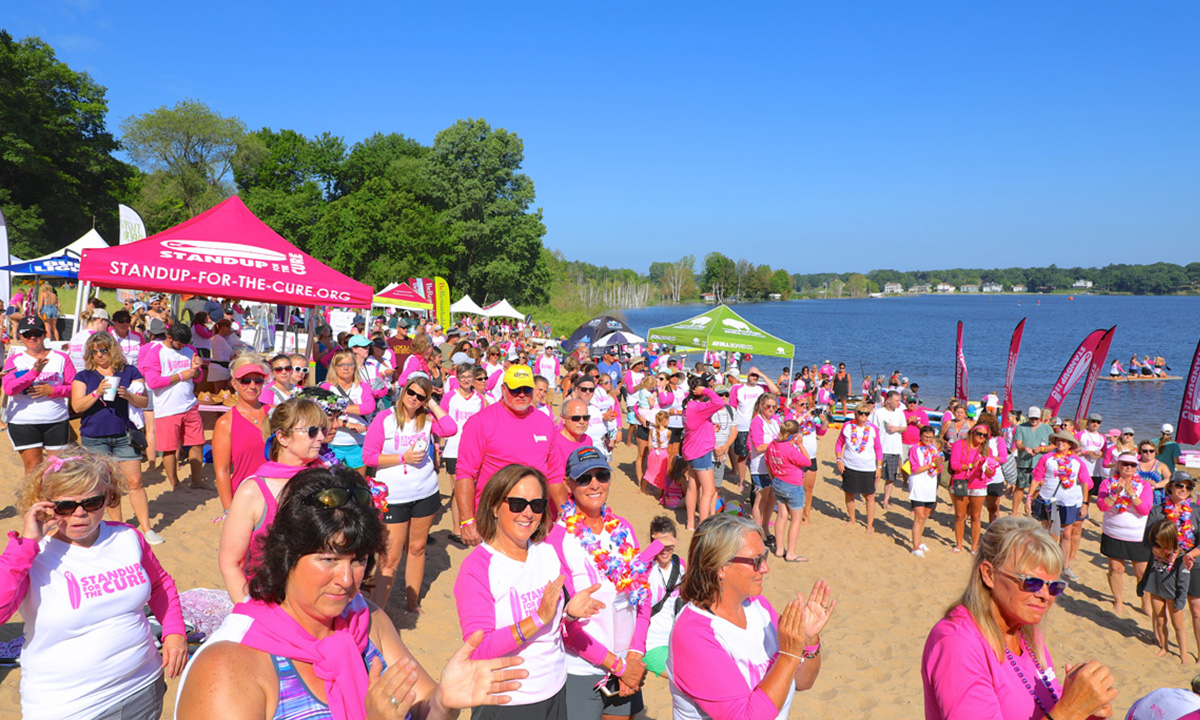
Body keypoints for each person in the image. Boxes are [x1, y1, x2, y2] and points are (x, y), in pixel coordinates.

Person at [182, 465, 527, 720]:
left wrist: (443, 703)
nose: (347, 579)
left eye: (359, 560)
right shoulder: (229, 667)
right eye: (328, 559)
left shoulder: (365, 620)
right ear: (286, 554)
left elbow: (423, 711)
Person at [2, 450, 187, 720]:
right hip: (68, 706)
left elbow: (160, 585)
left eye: (92, 502)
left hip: (142, 688)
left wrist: (175, 632)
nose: (79, 513)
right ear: (44, 505)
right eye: (65, 505)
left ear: (108, 498)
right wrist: (27, 543)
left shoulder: (127, 537)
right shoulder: (32, 555)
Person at [921, 517, 1118, 720]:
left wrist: (1088, 710)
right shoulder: (958, 642)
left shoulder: (1025, 631)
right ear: (989, 574)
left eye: (1054, 587)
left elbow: (1048, 708)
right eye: (1031, 582)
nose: (1045, 595)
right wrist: (1072, 710)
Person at [453, 463, 603, 720]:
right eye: (517, 503)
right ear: (494, 506)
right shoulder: (477, 568)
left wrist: (569, 613)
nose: (528, 513)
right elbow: (477, 649)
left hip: (555, 690)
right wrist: (537, 619)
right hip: (507, 701)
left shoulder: (546, 553)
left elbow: (555, 626)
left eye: (536, 505)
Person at [669, 514, 834, 720]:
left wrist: (808, 642)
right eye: (756, 560)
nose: (765, 568)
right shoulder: (693, 634)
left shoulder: (758, 607)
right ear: (721, 566)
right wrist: (789, 655)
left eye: (764, 557)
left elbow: (803, 682)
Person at [550, 447, 654, 720]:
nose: (594, 484)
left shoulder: (624, 529)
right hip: (582, 670)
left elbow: (643, 595)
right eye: (584, 478)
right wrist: (618, 666)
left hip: (627, 665)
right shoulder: (557, 541)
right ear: (568, 484)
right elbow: (563, 624)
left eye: (601, 475)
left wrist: (634, 654)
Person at [218, 397, 330, 603]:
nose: (321, 437)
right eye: (312, 431)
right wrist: (248, 611)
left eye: (324, 430)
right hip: (271, 602)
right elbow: (230, 563)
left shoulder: (327, 478)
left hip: (322, 600)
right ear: (283, 437)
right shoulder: (253, 491)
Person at [363, 375, 457, 612]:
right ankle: (378, 614)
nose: (414, 399)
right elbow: (369, 457)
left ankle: (412, 604)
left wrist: (433, 403)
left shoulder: (427, 418)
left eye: (420, 397)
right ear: (404, 391)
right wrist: (401, 458)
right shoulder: (385, 419)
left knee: (417, 549)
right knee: (390, 558)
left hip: (425, 492)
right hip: (393, 497)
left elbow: (450, 429)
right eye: (411, 392)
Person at [70, 331, 158, 543]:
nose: (99, 354)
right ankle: (117, 528)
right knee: (106, 485)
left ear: (113, 349)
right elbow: (76, 406)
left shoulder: (129, 372)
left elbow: (144, 401)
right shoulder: (84, 376)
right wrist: (96, 393)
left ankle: (146, 529)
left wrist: (128, 395)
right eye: (95, 351)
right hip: (94, 436)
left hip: (123, 435)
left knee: (135, 482)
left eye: (104, 350)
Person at [455, 365, 557, 546]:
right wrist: (467, 520)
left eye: (526, 389)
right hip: (495, 518)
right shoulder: (481, 422)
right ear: (503, 389)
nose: (521, 394)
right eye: (515, 389)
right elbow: (465, 473)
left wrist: (561, 514)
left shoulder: (545, 422)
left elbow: (555, 474)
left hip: (535, 516)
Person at [3, 317, 76, 473]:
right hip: (23, 421)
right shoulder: (14, 361)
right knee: (33, 467)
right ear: (20, 336)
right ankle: (34, 498)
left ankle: (53, 498)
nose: (32, 337)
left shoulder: (61, 358)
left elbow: (75, 387)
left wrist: (53, 391)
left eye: (36, 333)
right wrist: (34, 373)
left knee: (58, 468)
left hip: (56, 419)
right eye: (27, 334)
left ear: (44, 334)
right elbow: (9, 389)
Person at [140, 322, 206, 489]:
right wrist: (182, 375)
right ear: (169, 337)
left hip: (189, 404)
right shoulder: (156, 352)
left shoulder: (191, 350)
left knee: (197, 443)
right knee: (169, 448)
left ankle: (196, 481)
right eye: (179, 344)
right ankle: (175, 483)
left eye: (184, 344)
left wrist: (197, 370)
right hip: (167, 408)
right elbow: (153, 382)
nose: (182, 347)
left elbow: (197, 378)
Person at [1095, 451, 1154, 618]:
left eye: (1133, 464)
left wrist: (1132, 494)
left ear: (1137, 467)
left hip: (1137, 535)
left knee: (1141, 572)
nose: (1129, 467)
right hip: (1113, 532)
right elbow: (1102, 506)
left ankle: (1145, 603)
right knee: (1116, 569)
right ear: (1118, 465)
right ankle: (1118, 600)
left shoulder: (1144, 485)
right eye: (1125, 464)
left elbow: (1145, 510)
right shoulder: (1107, 483)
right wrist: (1115, 493)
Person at [1140, 519, 1190, 662]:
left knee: (1178, 626)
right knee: (1160, 621)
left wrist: (1180, 600)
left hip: (1173, 594)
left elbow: (1183, 580)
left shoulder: (1180, 557)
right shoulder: (1156, 552)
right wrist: (1142, 585)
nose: (1158, 542)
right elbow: (1149, 569)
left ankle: (1184, 654)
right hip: (1155, 590)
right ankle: (1164, 646)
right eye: (1156, 540)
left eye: (1161, 540)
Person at [682, 376, 727, 530]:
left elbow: (695, 425)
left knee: (693, 487)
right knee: (709, 490)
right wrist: (707, 390)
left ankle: (690, 523)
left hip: (691, 449)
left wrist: (709, 426)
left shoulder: (689, 405)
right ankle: (703, 523)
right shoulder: (698, 407)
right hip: (700, 451)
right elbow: (720, 403)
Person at [950, 420, 1002, 554]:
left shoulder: (986, 450)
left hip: (978, 483)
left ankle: (974, 546)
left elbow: (991, 469)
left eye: (985, 436)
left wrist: (989, 471)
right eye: (979, 434)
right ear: (972, 433)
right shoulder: (959, 445)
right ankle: (959, 544)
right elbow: (954, 465)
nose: (981, 437)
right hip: (961, 481)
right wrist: (970, 466)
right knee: (960, 516)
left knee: (976, 516)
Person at [321, 348, 376, 474]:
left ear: (355, 366)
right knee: (332, 483)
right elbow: (323, 416)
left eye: (350, 364)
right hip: (333, 444)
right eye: (341, 365)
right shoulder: (326, 387)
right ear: (335, 367)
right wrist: (347, 423)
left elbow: (368, 407)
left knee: (358, 483)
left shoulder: (363, 387)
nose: (346, 368)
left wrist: (339, 407)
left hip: (358, 443)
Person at [765, 419, 812, 562]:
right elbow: (807, 461)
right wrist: (801, 445)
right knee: (796, 519)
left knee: (781, 515)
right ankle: (791, 552)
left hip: (778, 482)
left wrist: (773, 478)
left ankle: (779, 549)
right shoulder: (789, 449)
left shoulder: (773, 445)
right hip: (792, 484)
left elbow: (768, 462)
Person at [643, 516, 683, 678]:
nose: (665, 549)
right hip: (652, 644)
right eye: (660, 544)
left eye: (669, 544)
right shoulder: (645, 569)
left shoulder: (679, 565)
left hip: (677, 642)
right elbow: (631, 568)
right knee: (683, 680)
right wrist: (655, 547)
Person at [835, 402, 883, 534]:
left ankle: (869, 525)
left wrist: (879, 467)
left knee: (870, 496)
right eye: (860, 413)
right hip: (849, 466)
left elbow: (878, 449)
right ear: (855, 413)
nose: (863, 415)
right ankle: (852, 519)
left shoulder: (873, 429)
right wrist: (839, 460)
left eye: (866, 413)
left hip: (868, 467)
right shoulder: (847, 426)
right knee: (849, 493)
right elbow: (839, 444)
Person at [729, 369, 776, 493]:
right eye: (752, 375)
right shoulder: (738, 389)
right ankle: (742, 481)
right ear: (747, 375)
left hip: (758, 425)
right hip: (742, 427)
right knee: (742, 456)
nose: (755, 377)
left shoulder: (761, 389)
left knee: (756, 454)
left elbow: (776, 391)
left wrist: (762, 374)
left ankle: (755, 479)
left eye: (756, 376)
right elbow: (732, 407)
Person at [747, 392, 781, 541]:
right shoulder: (757, 421)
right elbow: (759, 446)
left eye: (774, 407)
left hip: (773, 466)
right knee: (760, 499)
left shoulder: (775, 420)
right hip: (760, 466)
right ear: (761, 406)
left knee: (772, 499)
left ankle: (765, 527)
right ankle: (757, 530)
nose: (771, 409)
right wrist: (777, 446)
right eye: (768, 407)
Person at [907, 426, 944, 557]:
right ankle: (915, 546)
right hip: (918, 483)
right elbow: (915, 469)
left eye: (930, 437)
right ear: (921, 437)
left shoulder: (934, 449)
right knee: (919, 516)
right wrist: (932, 464)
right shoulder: (915, 449)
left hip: (930, 484)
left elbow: (938, 469)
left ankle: (919, 540)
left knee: (926, 515)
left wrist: (938, 464)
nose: (928, 440)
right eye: (925, 437)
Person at [1012, 407, 1053, 517]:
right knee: (1019, 487)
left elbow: (1053, 445)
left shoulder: (1047, 429)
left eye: (1036, 418)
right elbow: (1018, 444)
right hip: (1024, 463)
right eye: (1032, 418)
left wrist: (1041, 449)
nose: (1034, 420)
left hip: (1040, 464)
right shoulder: (1020, 427)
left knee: (1037, 489)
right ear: (1027, 417)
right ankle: (1014, 511)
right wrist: (1025, 448)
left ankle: (1032, 510)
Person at [870, 390, 907, 512]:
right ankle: (871, 497)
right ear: (889, 400)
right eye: (896, 400)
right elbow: (873, 429)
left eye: (899, 400)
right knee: (875, 475)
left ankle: (886, 500)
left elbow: (904, 428)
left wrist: (897, 428)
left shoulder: (900, 413)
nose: (898, 403)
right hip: (880, 448)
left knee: (891, 477)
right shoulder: (879, 412)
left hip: (894, 449)